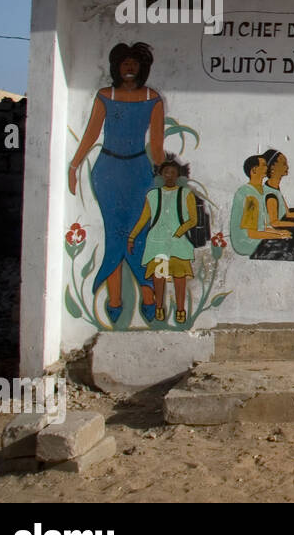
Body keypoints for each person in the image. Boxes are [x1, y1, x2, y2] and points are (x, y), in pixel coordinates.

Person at [68, 42, 164, 325]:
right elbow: (91, 134)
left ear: (142, 68)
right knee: (114, 233)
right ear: (116, 68)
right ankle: (114, 299)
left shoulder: (153, 98)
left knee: (139, 233)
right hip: (107, 171)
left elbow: (156, 146)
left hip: (138, 171)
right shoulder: (104, 95)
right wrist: (74, 166)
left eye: (134, 64)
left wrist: (164, 176)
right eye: (125, 64)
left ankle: (148, 296)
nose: (130, 68)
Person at [127, 155, 197, 326]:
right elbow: (144, 218)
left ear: (178, 175)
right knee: (159, 277)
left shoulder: (186, 193)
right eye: (166, 172)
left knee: (179, 278)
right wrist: (132, 237)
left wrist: (180, 232)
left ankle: (181, 309)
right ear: (161, 174)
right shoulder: (153, 195)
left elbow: (193, 220)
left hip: (178, 243)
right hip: (157, 242)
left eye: (173, 172)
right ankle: (159, 306)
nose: (170, 175)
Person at [229, 153, 291, 257]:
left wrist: (277, 233)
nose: (267, 167)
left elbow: (260, 227)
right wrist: (278, 236)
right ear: (254, 170)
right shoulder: (250, 195)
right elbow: (251, 233)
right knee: (287, 248)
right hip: (246, 242)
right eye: (263, 165)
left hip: (254, 238)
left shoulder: (260, 191)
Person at [260, 149, 294, 229]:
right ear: (272, 167)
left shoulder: (274, 188)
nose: (287, 167)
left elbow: (288, 214)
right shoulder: (270, 194)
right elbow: (274, 223)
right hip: (274, 234)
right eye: (284, 164)